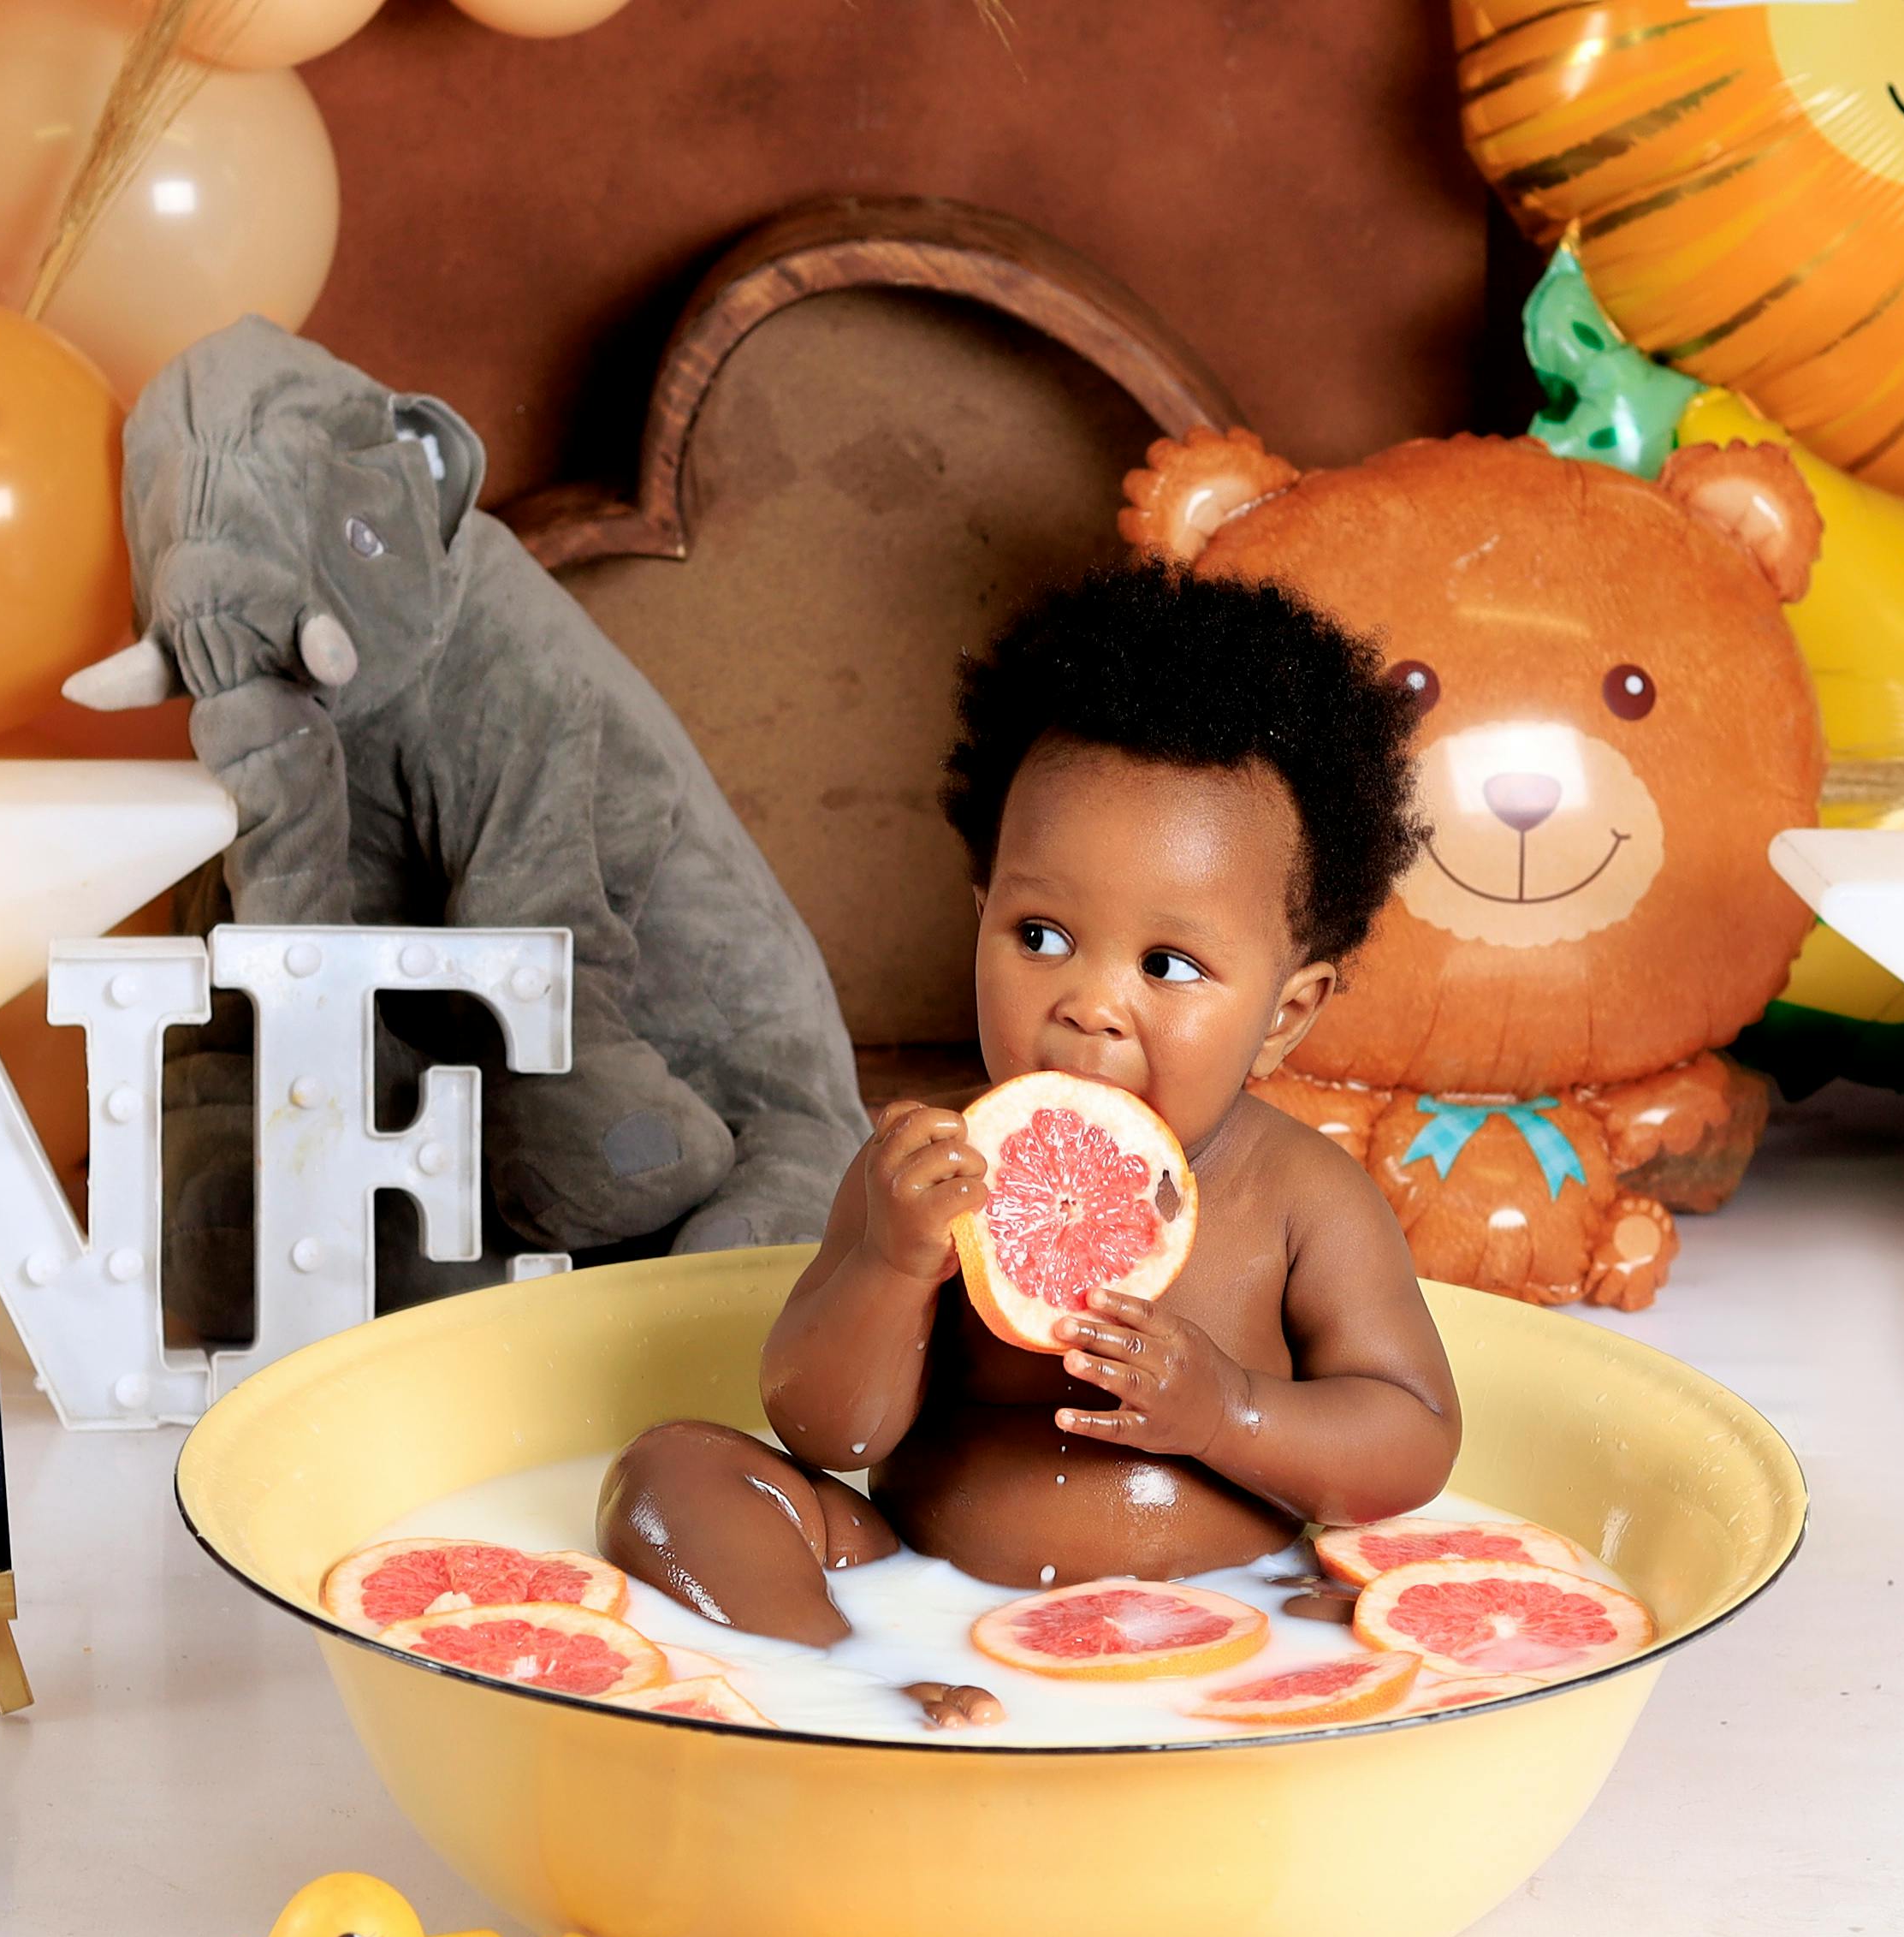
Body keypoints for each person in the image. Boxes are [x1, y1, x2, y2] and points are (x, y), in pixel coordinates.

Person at [596, 565, 1462, 1644]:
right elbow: (828, 1433)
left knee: (1356, 1605)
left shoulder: (1304, 1200)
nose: (1089, 1004)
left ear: (1286, 1013)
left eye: (1168, 964)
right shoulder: (930, 1168)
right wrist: (894, 1264)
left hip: (1230, 1611)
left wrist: (1231, 1412)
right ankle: (836, 1680)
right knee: (671, 1473)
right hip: (917, 1593)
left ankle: (1155, 1688)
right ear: (983, 919)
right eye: (1041, 936)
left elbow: (1413, 1441)